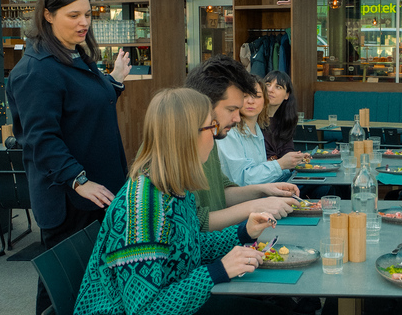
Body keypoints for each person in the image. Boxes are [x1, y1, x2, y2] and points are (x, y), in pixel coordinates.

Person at [74, 88, 283, 315]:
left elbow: (187, 248)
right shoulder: (143, 209)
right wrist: (218, 271)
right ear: (186, 136)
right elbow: (146, 309)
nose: (214, 135)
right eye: (210, 127)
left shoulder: (172, 186)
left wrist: (243, 232)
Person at [5, 0, 131, 315]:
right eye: (73, 15)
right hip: (71, 198)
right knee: (62, 287)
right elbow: (40, 139)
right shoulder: (36, 70)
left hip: (96, 192)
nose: (83, 22)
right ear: (47, 14)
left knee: (91, 285)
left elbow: (84, 108)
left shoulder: (72, 55)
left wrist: (114, 82)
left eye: (88, 14)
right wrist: (79, 179)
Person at [185, 55, 300, 232]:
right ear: (204, 103)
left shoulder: (212, 138)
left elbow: (223, 192)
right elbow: (198, 225)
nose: (237, 118)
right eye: (231, 109)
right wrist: (257, 206)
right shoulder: (184, 152)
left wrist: (265, 190)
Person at [218, 74, 308, 186]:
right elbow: (241, 180)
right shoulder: (229, 131)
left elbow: (261, 176)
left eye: (257, 96)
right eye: (245, 96)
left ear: (265, 101)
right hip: (244, 200)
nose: (251, 101)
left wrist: (290, 164)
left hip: (263, 193)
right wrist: (280, 164)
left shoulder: (256, 129)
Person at [262, 70, 298, 161]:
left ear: (287, 95)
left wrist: (297, 157)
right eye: (268, 85)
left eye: (278, 87)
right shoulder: (253, 118)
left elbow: (287, 150)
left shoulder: (284, 121)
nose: (270, 90)